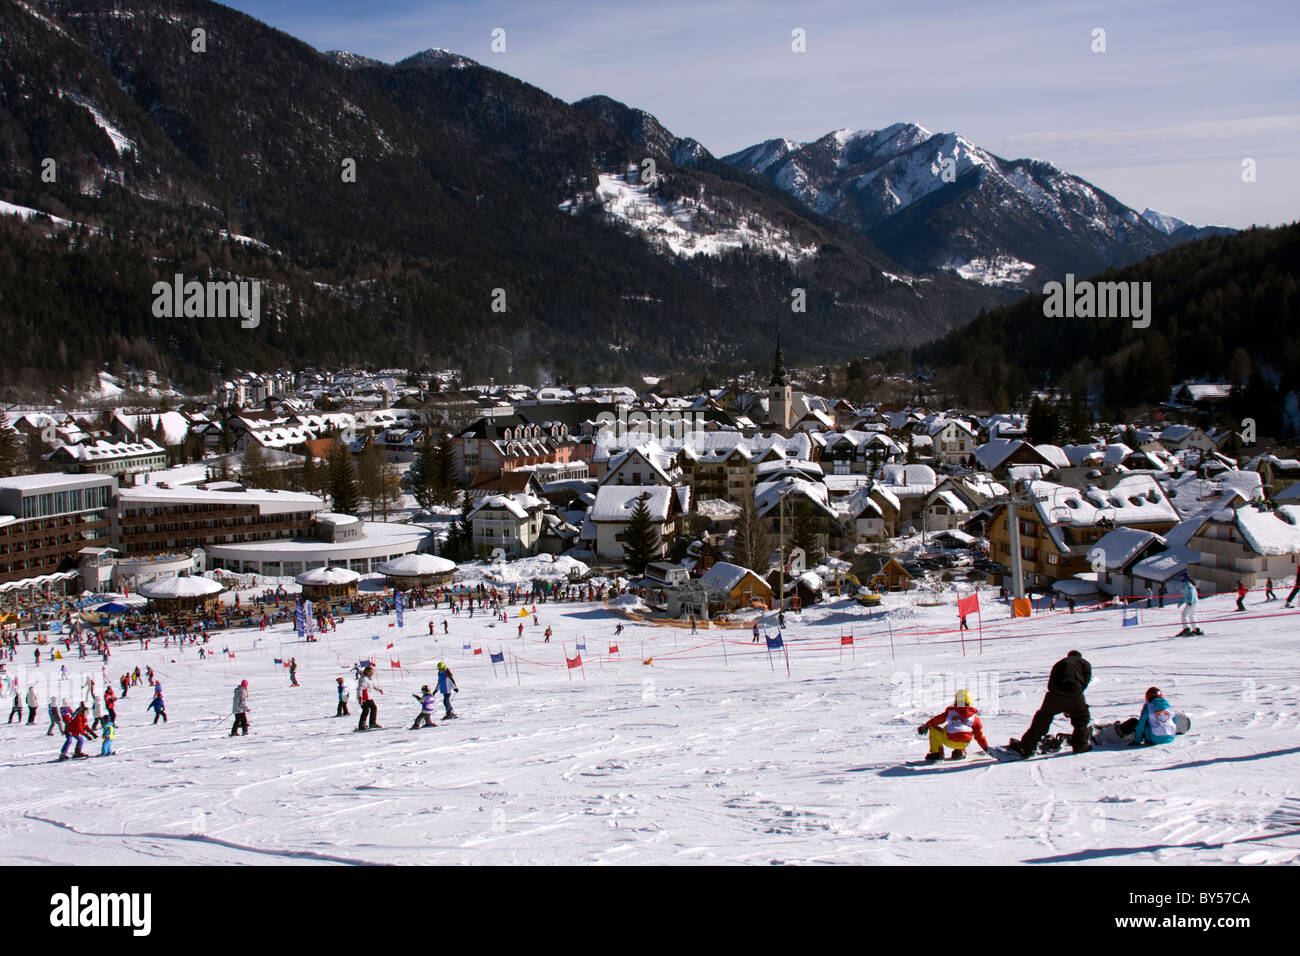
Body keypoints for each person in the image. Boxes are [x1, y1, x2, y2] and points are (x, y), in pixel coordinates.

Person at [1009, 649, 1093, 758]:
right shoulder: (1085, 663)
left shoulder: (1060, 663)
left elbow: (1051, 682)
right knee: (1081, 719)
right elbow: (1085, 681)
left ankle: (1027, 747)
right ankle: (1080, 745)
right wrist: (1073, 700)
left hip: (1056, 694)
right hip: (1075, 693)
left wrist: (1057, 697)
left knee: (1043, 717)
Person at [918, 689, 992, 761]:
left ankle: (937, 754)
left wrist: (926, 726)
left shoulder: (951, 712)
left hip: (949, 741)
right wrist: (985, 747)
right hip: (964, 743)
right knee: (971, 730)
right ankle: (960, 751)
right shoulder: (974, 717)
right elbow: (979, 735)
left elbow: (938, 720)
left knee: (936, 729)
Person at [357, 665, 382, 730]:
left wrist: (379, 689)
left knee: (373, 708)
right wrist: (360, 697)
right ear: (367, 672)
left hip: (369, 697)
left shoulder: (369, 678)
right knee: (366, 710)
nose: (372, 674)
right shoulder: (364, 679)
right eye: (371, 673)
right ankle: (362, 725)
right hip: (365, 697)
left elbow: (373, 685)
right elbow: (360, 688)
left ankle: (371, 723)